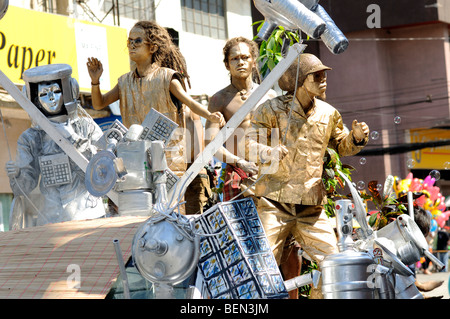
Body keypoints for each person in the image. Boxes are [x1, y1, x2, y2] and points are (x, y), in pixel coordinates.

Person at [246, 53, 370, 298]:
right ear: (298, 80)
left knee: (334, 265)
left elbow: (342, 145)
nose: (324, 80)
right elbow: (249, 144)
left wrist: (356, 137)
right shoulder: (270, 109)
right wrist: (268, 151)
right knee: (258, 266)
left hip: (311, 209)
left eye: (324, 75)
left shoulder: (329, 113)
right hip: (274, 204)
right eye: (317, 75)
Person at [86, 20, 224, 179]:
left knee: (169, 204)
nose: (131, 45)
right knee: (137, 202)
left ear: (152, 47)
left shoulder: (167, 77)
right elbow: (98, 104)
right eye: (129, 41)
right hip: (135, 162)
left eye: (137, 41)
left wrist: (210, 116)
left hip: (168, 162)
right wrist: (95, 81)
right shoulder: (124, 82)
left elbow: (190, 102)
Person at [5, 64, 106, 227]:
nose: (51, 98)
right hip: (52, 218)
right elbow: (23, 188)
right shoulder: (30, 138)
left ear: (69, 91)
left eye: (56, 91)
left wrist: (76, 141)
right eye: (44, 94)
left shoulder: (86, 127)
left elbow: (104, 168)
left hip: (89, 214)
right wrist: (17, 173)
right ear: (35, 99)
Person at [205, 36, 276, 202]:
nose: (240, 62)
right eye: (234, 58)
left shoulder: (269, 96)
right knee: (239, 226)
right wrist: (239, 162)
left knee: (271, 227)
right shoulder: (219, 99)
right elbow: (210, 144)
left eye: (245, 57)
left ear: (254, 61)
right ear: (227, 65)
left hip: (268, 174)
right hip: (237, 175)